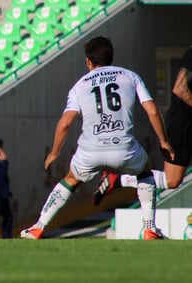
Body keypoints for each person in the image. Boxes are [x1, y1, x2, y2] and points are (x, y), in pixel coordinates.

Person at [20, 36, 174, 240]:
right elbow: (153, 111)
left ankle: (39, 227)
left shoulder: (79, 85)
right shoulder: (130, 76)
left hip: (90, 151)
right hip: (124, 148)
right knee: (144, 172)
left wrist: (55, 152)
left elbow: (66, 123)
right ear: (111, 57)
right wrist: (163, 142)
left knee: (70, 180)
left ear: (88, 61)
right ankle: (149, 228)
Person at [93, 45, 192, 205]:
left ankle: (116, 181)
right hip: (182, 121)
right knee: (172, 180)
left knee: (173, 181)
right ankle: (117, 180)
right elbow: (180, 89)